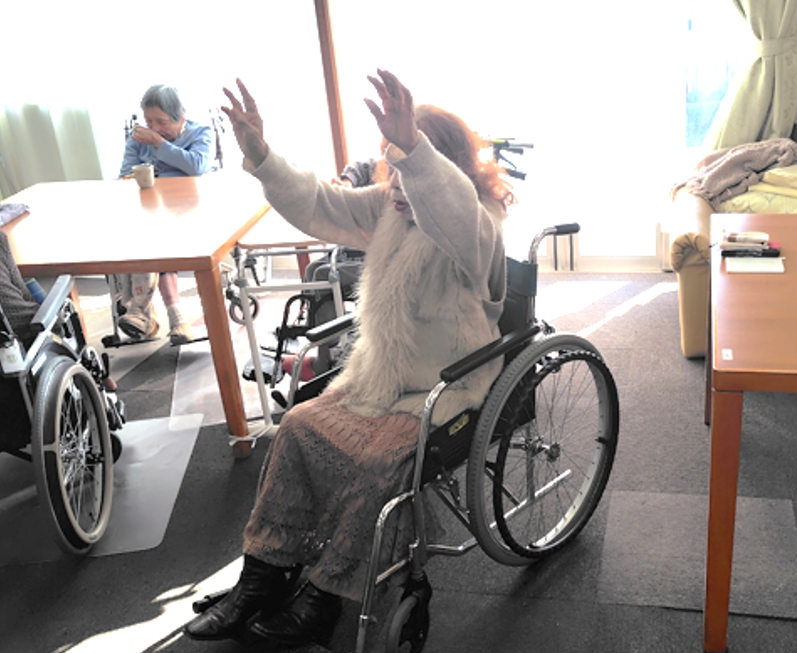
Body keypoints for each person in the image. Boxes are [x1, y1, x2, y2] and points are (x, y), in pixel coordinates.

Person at [182, 69, 513, 648]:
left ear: (442, 166)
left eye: (408, 167)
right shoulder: (389, 208)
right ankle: (263, 575)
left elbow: (452, 209)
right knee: (296, 426)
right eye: (391, 167)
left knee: (377, 462)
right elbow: (318, 202)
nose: (396, 182)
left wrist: (413, 149)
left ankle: (326, 597)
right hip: (383, 375)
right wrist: (262, 155)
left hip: (447, 385)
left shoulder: (476, 227)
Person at [116, 84, 216, 345]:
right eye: (149, 121)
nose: (153, 127)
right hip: (153, 212)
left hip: (191, 211)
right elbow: (125, 174)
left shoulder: (200, 133)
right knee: (142, 237)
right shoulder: (138, 138)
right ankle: (170, 318)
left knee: (151, 239)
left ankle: (142, 313)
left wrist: (159, 145)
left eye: (161, 121)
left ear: (181, 118)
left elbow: (197, 166)